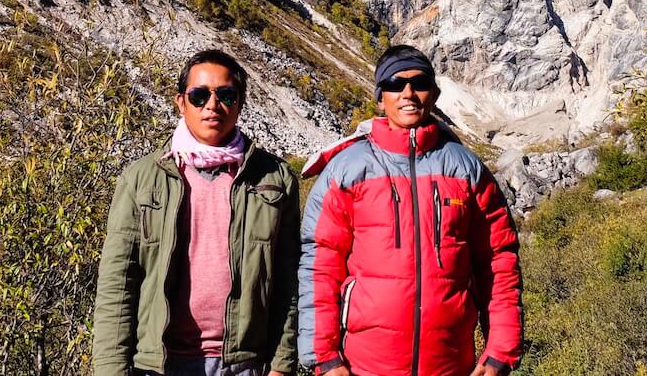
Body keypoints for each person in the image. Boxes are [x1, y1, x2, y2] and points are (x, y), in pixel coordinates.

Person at [297, 45, 522, 376]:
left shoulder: (467, 170)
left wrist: (500, 351)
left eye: (418, 83)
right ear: (380, 97)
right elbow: (320, 264)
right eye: (394, 84)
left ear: (434, 92)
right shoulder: (346, 170)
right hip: (363, 367)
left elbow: (498, 261)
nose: (408, 93)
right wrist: (324, 358)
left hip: (450, 365)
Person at [93, 49, 300, 376]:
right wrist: (110, 369)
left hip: (245, 365)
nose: (212, 105)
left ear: (240, 103)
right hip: (159, 364)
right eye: (200, 95)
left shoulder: (276, 179)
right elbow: (118, 284)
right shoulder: (141, 178)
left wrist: (282, 364)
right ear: (181, 102)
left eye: (226, 95)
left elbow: (287, 281)